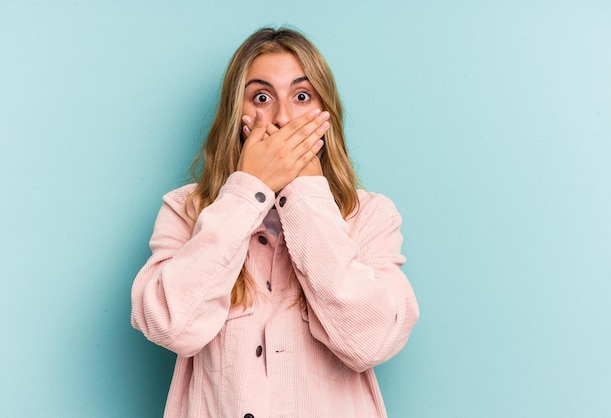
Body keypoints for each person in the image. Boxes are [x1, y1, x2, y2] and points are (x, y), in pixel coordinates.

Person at [131, 27, 419, 418]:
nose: (283, 118)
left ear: (325, 113)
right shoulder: (187, 209)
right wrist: (249, 189)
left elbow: (370, 342)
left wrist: (304, 193)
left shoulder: (370, 216)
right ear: (238, 114)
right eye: (262, 97)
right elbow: (169, 326)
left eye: (302, 97)